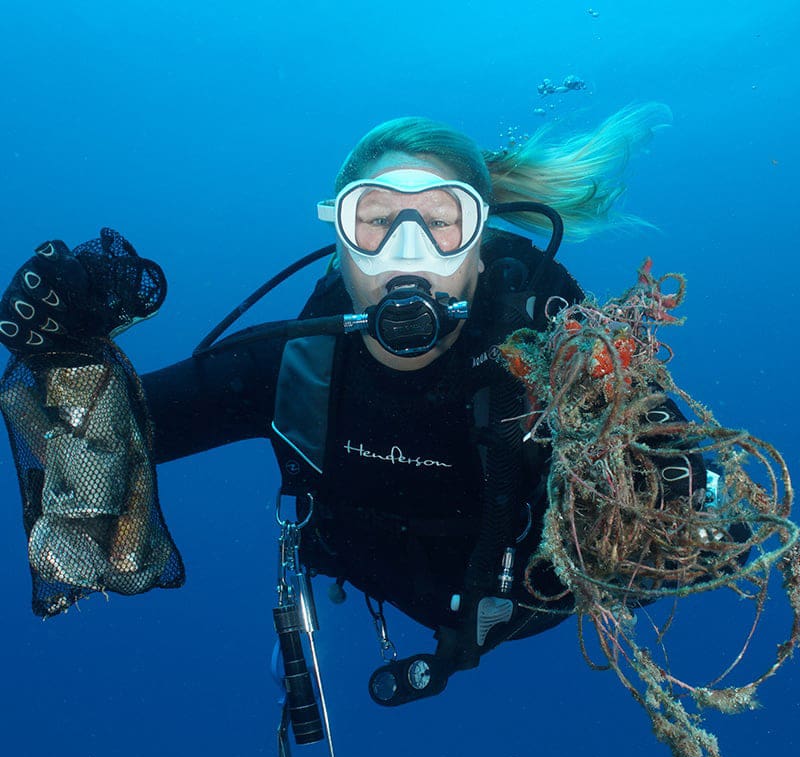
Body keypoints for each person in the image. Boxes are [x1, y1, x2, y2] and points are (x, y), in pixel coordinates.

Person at [0, 103, 692, 698]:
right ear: (340, 244)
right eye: (376, 220)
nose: (407, 250)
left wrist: (686, 494)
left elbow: (700, 504)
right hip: (369, 573)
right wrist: (69, 359)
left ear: (480, 247)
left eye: (443, 222)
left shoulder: (563, 356)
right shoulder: (294, 365)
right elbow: (126, 439)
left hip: (533, 603)